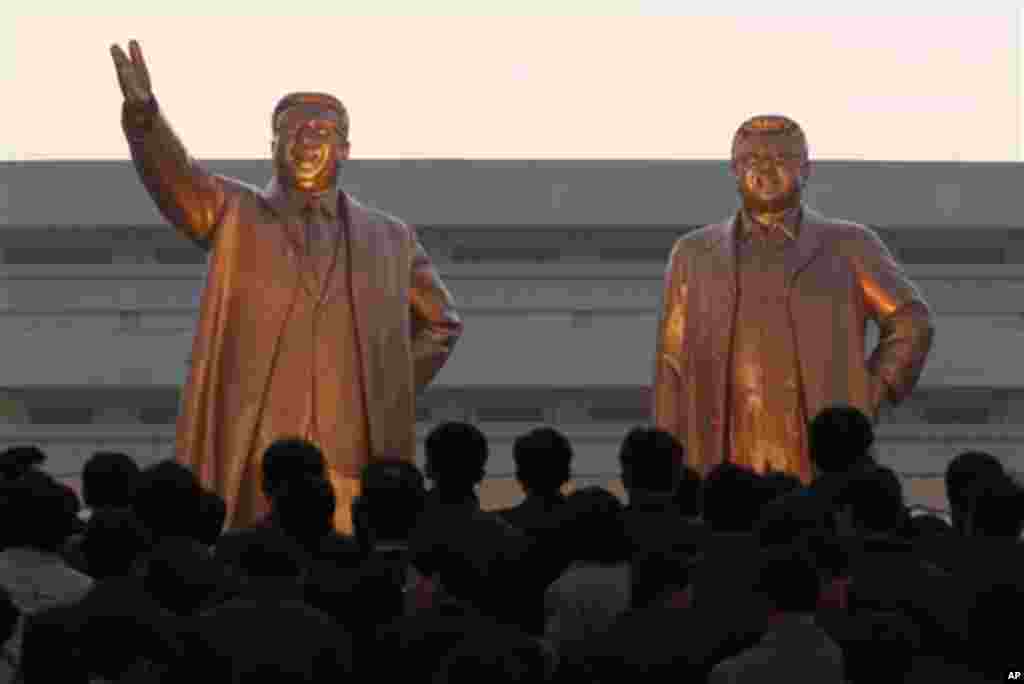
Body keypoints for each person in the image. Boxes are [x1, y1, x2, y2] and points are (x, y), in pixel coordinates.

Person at [109, 40, 463, 533]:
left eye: (321, 132)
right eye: (291, 132)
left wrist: (388, 386)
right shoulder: (235, 213)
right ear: (271, 144)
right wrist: (145, 116)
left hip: (351, 449)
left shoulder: (390, 237)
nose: (305, 142)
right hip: (258, 439)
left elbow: (442, 324)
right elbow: (177, 179)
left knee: (352, 555)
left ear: (345, 148)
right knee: (253, 547)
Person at [653, 114, 933, 483]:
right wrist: (667, 462)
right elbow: (671, 363)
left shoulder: (849, 245)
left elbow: (910, 322)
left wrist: (870, 393)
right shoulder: (693, 254)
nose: (765, 170)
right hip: (721, 456)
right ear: (734, 171)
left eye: (780, 160)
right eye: (752, 161)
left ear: (806, 169)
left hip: (818, 451)